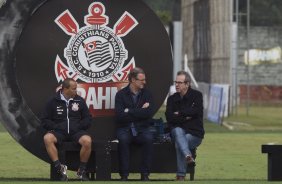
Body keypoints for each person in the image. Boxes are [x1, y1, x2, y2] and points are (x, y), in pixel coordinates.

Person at [41, 78, 92, 181]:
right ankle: (60, 169)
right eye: (73, 89)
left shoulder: (79, 100)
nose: (76, 91)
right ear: (65, 89)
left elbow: (88, 118)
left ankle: (81, 171)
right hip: (59, 132)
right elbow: (45, 120)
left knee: (87, 141)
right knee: (47, 138)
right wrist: (56, 127)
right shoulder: (52, 101)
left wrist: (79, 126)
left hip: (76, 132)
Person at [115, 67, 154, 181]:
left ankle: (145, 174)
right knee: (123, 140)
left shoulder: (147, 94)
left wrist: (130, 111)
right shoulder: (121, 95)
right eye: (141, 80)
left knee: (149, 139)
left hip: (142, 129)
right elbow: (120, 116)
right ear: (132, 79)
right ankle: (124, 175)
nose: (144, 82)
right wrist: (140, 111)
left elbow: (148, 113)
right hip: (125, 128)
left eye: (144, 80)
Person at [165, 71, 205, 181]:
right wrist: (186, 116)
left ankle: (181, 176)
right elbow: (169, 117)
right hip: (177, 131)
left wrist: (179, 113)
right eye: (175, 82)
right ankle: (188, 157)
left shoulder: (197, 96)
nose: (176, 85)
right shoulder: (172, 99)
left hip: (195, 134)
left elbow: (196, 112)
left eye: (179, 82)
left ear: (187, 84)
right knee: (178, 131)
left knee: (180, 141)